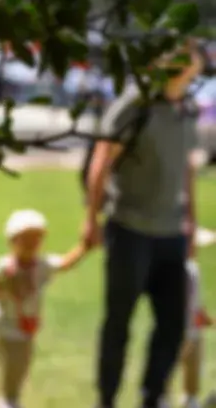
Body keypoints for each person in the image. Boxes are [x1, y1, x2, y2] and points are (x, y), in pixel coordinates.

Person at [84, 39, 204, 408]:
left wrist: (191, 223)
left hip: (171, 234)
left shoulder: (186, 109)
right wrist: (91, 218)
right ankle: (107, 398)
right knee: (118, 322)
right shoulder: (134, 105)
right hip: (129, 229)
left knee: (172, 323)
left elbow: (185, 170)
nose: (189, 65)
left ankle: (154, 397)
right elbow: (101, 162)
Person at [0, 209, 89, 408]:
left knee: (21, 367)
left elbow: (65, 263)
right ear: (13, 241)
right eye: (25, 240)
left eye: (36, 239)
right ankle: (7, 401)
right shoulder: (5, 268)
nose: (31, 245)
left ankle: (10, 397)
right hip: (5, 329)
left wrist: (84, 247)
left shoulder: (42, 265)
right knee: (13, 368)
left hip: (27, 329)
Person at [168, 259, 213, 408]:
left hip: (190, 331)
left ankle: (190, 398)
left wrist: (204, 318)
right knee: (167, 366)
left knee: (191, 366)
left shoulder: (193, 269)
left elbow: (194, 303)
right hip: (178, 330)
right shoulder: (183, 269)